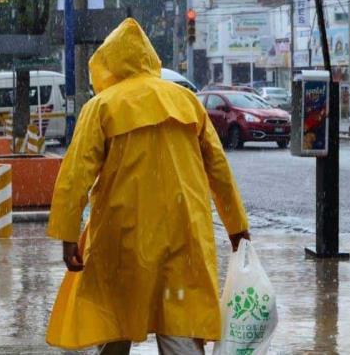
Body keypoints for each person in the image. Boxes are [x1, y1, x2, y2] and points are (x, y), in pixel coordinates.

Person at [46, 18, 250, 354]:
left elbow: (75, 176)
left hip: (123, 235)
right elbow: (219, 170)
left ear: (108, 64)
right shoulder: (186, 102)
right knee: (180, 321)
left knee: (114, 320)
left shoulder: (101, 106)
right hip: (184, 233)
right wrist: (237, 229)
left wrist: (68, 236)